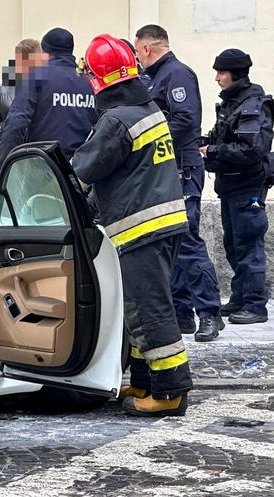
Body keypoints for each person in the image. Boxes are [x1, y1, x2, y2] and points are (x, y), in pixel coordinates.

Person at [73, 34, 192, 417]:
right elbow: (127, 172)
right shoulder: (149, 110)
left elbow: (84, 169)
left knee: (150, 309)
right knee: (138, 310)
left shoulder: (115, 120)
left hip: (140, 228)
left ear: (97, 79)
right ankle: (145, 381)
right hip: (164, 223)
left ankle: (170, 392)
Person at [134, 24, 223, 342]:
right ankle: (182, 313)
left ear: (146, 48)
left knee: (186, 243)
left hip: (183, 171)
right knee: (171, 245)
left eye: (137, 51)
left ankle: (210, 313)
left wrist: (145, 136)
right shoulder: (155, 77)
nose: (138, 58)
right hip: (167, 172)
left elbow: (185, 120)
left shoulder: (175, 74)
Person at [200, 49, 273, 325]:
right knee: (233, 244)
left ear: (236, 74)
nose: (217, 78)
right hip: (231, 186)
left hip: (248, 186)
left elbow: (252, 150)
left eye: (221, 72)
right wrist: (203, 142)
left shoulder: (253, 105)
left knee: (248, 245)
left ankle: (255, 306)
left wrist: (213, 151)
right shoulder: (233, 103)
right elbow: (224, 136)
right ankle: (242, 297)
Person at [0, 27, 96, 175]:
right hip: (82, 169)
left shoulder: (36, 78)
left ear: (45, 53)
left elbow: (17, 120)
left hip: (43, 167)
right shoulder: (89, 81)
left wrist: (2, 161)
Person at [0, 38, 41, 142]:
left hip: (43, 155)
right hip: (14, 155)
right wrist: (9, 128)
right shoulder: (1, 91)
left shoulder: (50, 89)